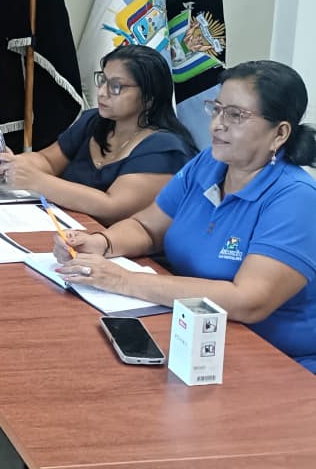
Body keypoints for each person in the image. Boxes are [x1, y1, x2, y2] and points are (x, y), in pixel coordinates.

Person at [54, 60, 316, 373]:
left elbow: (248, 301)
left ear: (280, 133)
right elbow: (147, 227)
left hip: (276, 361)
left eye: (235, 115)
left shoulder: (297, 198)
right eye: (216, 109)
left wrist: (123, 280)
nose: (216, 125)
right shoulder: (209, 163)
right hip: (194, 333)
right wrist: (101, 243)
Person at [0, 45, 195, 225]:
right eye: (102, 80)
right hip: (68, 225)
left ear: (149, 96)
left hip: (116, 247)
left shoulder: (165, 148)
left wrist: (37, 181)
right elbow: (48, 161)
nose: (102, 92)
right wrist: (12, 164)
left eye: (116, 86)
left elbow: (113, 207)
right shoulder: (94, 120)